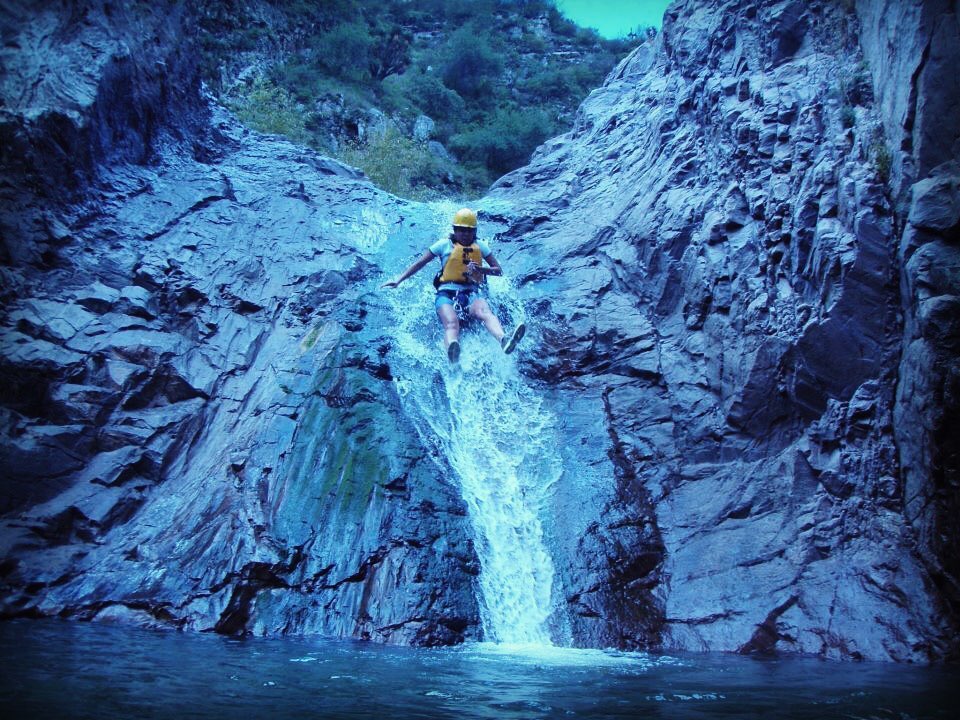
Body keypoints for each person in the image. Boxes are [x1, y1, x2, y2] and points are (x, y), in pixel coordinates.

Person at [381, 208, 525, 363]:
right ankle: (452, 351)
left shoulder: (481, 246)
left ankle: (504, 340)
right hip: (446, 295)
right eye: (461, 230)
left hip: (472, 294)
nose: (465, 234)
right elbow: (419, 263)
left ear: (474, 232)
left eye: (469, 231)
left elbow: (498, 271)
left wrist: (480, 269)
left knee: (484, 312)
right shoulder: (443, 245)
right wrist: (398, 280)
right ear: (454, 230)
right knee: (451, 323)